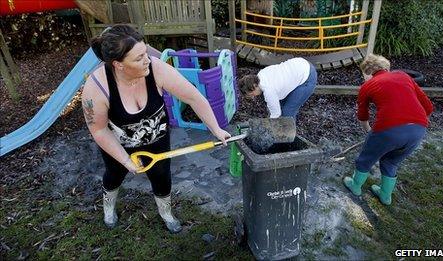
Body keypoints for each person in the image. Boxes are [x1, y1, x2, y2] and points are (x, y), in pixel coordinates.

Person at [81, 25, 230, 233]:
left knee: (161, 176)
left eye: (145, 52)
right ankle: (108, 208)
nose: (147, 60)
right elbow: (98, 130)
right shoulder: (96, 88)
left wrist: (216, 129)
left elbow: (193, 97)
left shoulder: (156, 69)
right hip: (119, 145)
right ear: (118, 64)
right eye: (138, 57)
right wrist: (125, 160)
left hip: (157, 140)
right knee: (114, 175)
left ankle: (166, 213)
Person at [343, 54, 433, 205]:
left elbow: (362, 115)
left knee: (366, 158)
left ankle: (356, 186)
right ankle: (385, 196)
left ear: (368, 72)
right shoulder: (403, 76)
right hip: (418, 129)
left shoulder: (367, 86)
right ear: (386, 67)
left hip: (388, 129)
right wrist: (414, 121)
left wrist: (369, 132)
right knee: (391, 162)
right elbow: (428, 107)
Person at [238, 57, 317, 119]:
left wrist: (270, 127)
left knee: (288, 112)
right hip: (299, 63)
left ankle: (289, 137)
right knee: (283, 105)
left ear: (254, 86)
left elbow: (276, 114)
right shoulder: (261, 74)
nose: (253, 96)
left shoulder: (269, 91)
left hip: (307, 77)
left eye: (251, 94)